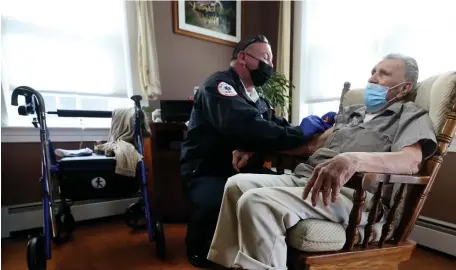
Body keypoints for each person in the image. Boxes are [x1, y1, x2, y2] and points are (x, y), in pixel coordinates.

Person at [207, 53, 438, 270]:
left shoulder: (409, 114)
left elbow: (410, 161)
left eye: (383, 73)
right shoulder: (354, 113)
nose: (372, 78)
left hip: (353, 195)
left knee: (257, 201)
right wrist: (256, 150)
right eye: (373, 71)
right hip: (308, 178)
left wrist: (353, 160)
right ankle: (233, 264)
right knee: (237, 184)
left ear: (405, 87)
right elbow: (312, 146)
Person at [180, 34, 334, 267]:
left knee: (275, 195)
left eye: (271, 61)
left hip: (243, 171)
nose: (270, 66)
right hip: (208, 170)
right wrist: (299, 134)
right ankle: (199, 251)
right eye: (265, 58)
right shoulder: (219, 86)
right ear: (243, 57)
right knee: (216, 201)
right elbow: (246, 126)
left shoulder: (258, 99)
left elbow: (276, 126)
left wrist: (313, 127)